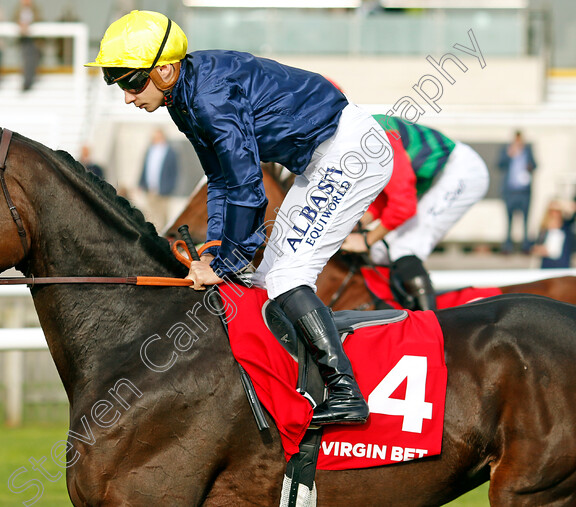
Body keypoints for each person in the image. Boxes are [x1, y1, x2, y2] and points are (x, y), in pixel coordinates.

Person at [87, 11, 394, 426]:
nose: (127, 96)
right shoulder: (183, 98)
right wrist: (215, 252)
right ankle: (300, 382)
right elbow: (219, 179)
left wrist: (227, 264)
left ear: (163, 69)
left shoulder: (208, 99)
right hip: (320, 160)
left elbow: (249, 187)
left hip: (350, 153)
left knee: (286, 277)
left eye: (131, 82)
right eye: (118, 84)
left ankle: (345, 390)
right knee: (266, 278)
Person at [342, 116, 490, 311]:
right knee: (381, 252)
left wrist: (367, 239)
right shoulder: (355, 136)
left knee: (405, 247)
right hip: (430, 179)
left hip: (459, 172)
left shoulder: (374, 137)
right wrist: (358, 224)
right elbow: (389, 195)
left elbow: (403, 204)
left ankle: (429, 324)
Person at [498, 130, 537, 254]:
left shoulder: (528, 151)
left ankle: (525, 245)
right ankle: (508, 245)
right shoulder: (507, 150)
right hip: (511, 191)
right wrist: (509, 154)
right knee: (509, 220)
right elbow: (499, 165)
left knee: (525, 220)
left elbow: (535, 165)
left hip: (524, 192)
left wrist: (529, 166)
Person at [138, 128, 179, 230]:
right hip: (150, 190)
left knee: (162, 217)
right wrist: (141, 184)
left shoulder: (170, 152)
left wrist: (169, 188)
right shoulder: (150, 151)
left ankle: (162, 237)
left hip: (163, 191)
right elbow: (144, 168)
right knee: (151, 216)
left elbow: (174, 172)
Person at [532, 200, 575, 269]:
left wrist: (562, 204)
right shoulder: (544, 229)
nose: (555, 214)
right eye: (552, 211)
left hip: (563, 265)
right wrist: (541, 250)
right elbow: (535, 247)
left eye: (557, 211)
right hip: (548, 266)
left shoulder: (566, 226)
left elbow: (573, 210)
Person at [13, 0, 41, 92]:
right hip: (22, 40)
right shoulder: (17, 10)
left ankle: (28, 82)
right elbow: (13, 19)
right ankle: (26, 82)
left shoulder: (36, 9)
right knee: (25, 60)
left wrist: (29, 25)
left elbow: (39, 20)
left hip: (33, 40)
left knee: (31, 60)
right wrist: (20, 25)